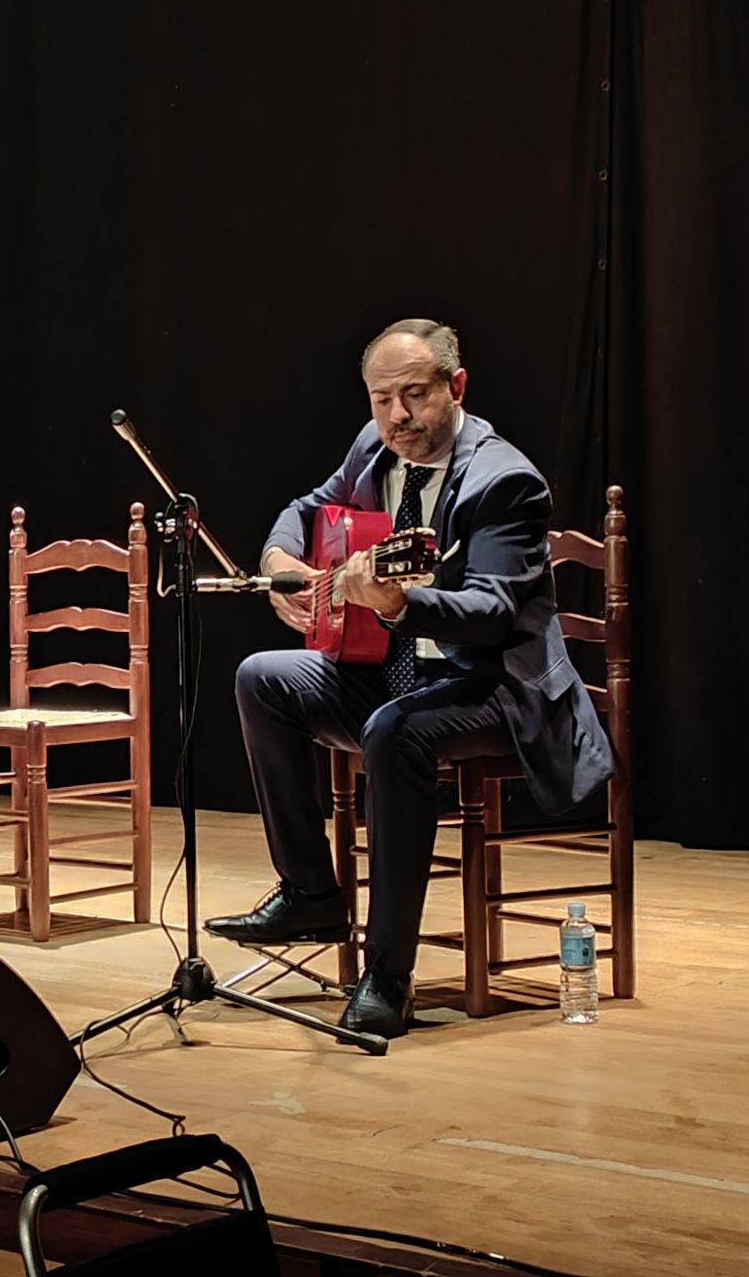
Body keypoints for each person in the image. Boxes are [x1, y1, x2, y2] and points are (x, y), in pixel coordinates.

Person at [206, 319, 613, 1039]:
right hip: (394, 672)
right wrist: (279, 561)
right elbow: (305, 508)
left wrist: (399, 602)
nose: (398, 417)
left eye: (415, 396)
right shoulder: (375, 447)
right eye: (381, 400)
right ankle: (311, 892)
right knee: (262, 676)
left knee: (394, 733)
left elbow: (492, 613)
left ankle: (387, 975)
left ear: (456, 388)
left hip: (493, 687)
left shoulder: (504, 479)